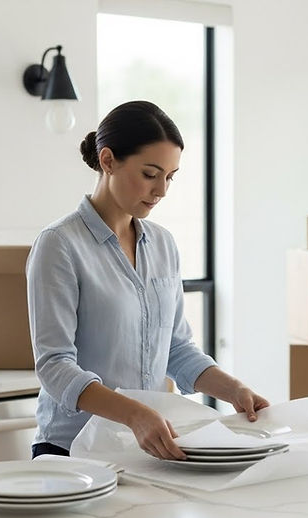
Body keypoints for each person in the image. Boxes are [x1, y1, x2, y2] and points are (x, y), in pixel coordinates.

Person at [26, 100, 269, 461]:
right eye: (150, 174)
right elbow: (55, 366)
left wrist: (233, 389)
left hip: (146, 448)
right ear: (107, 161)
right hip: (73, 451)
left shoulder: (163, 244)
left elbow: (176, 348)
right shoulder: (59, 245)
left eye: (170, 177)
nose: (162, 190)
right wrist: (134, 413)